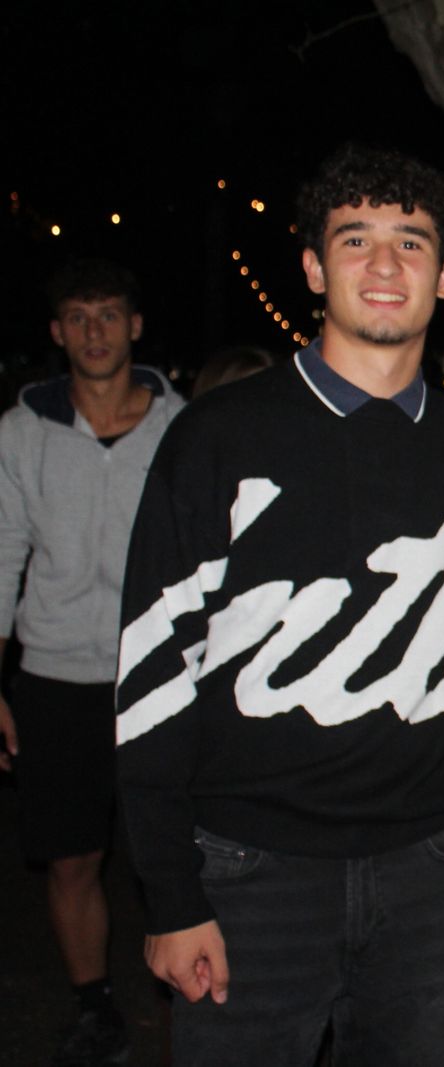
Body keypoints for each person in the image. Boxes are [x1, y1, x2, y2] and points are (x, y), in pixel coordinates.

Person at [114, 144, 444, 1067]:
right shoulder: (219, 437)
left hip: (427, 874)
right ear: (313, 267)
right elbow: (154, 675)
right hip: (251, 872)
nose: (382, 264)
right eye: (355, 238)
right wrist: (173, 894)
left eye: (411, 242)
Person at [0, 258, 184, 1066]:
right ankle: (93, 1005)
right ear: (56, 332)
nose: (94, 331)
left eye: (109, 314)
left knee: (170, 852)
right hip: (56, 677)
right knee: (72, 854)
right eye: (77, 316)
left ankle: (190, 996)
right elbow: (2, 553)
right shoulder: (21, 431)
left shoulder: (182, 424)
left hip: (160, 676)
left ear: (135, 326)